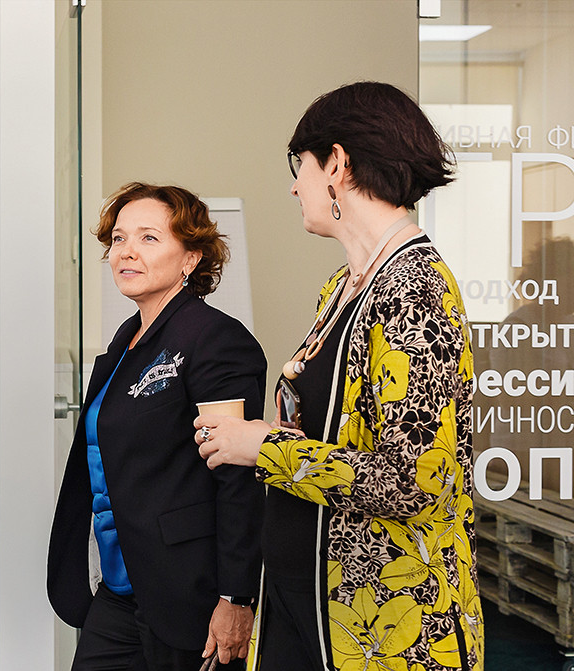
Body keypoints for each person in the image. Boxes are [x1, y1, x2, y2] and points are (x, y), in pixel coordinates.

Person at [194, 82, 483, 671]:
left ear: (337, 163)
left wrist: (263, 447)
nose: (293, 186)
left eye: (298, 164)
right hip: (308, 604)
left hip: (385, 627)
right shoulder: (344, 286)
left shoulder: (415, 293)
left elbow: (410, 481)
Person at [48, 182, 267, 670]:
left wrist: (236, 596)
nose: (126, 251)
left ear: (191, 257)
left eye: (148, 238)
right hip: (120, 588)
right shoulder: (127, 338)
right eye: (119, 239)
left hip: (186, 593)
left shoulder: (215, 339)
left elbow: (238, 476)